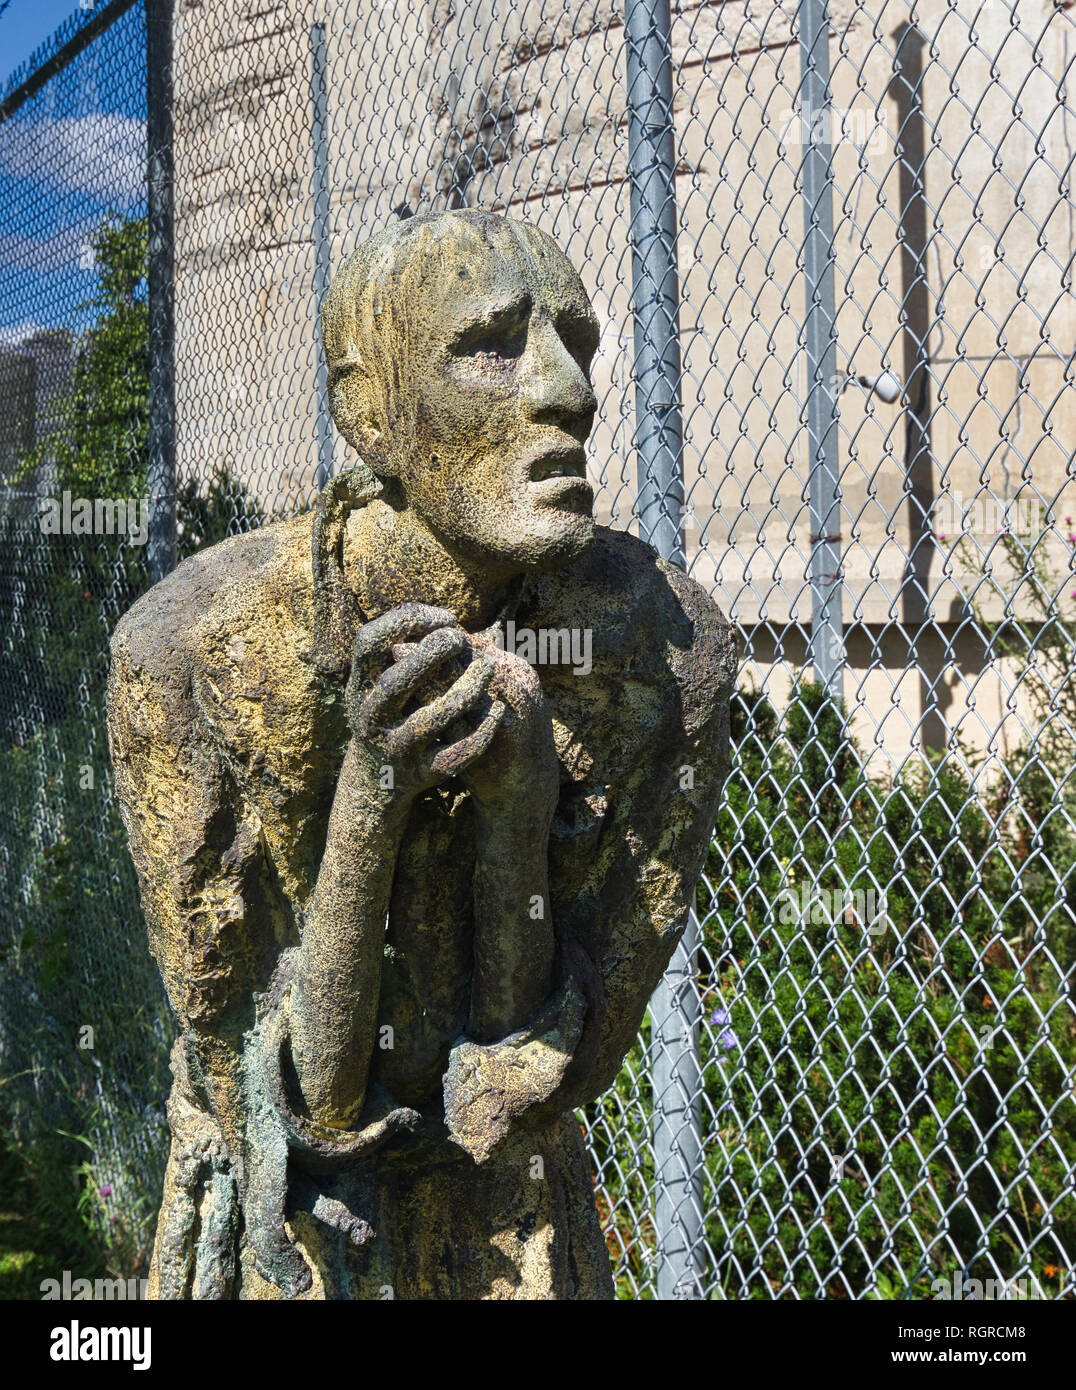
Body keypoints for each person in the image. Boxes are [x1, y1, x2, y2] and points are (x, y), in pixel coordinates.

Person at [108, 209, 736, 1299]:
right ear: (368, 413)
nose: (569, 393)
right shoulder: (192, 656)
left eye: (576, 343)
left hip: (505, 1225)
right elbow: (302, 1110)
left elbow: (524, 1083)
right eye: (490, 345)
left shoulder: (657, 654)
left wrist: (517, 809)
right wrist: (369, 797)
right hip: (299, 1240)